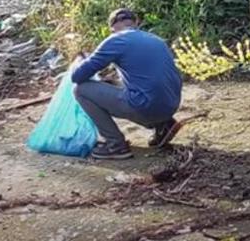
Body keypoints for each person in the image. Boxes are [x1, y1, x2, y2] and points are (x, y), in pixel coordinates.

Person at [71, 8, 183, 159]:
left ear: (111, 27)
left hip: (147, 107)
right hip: (170, 106)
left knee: (81, 90)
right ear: (136, 23)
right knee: (120, 84)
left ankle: (115, 145)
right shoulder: (156, 40)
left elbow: (78, 76)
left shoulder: (116, 40)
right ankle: (164, 125)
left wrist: (80, 62)